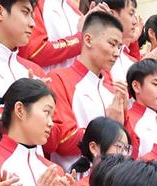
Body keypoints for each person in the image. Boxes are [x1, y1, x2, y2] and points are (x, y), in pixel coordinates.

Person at [44, 11, 129, 167]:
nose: (117, 53)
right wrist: (109, 126)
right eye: (112, 44)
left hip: (115, 176)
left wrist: (123, 119)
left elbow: (130, 147)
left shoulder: (113, 88)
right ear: (88, 40)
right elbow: (61, 140)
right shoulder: (59, 79)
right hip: (75, 177)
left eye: (119, 47)